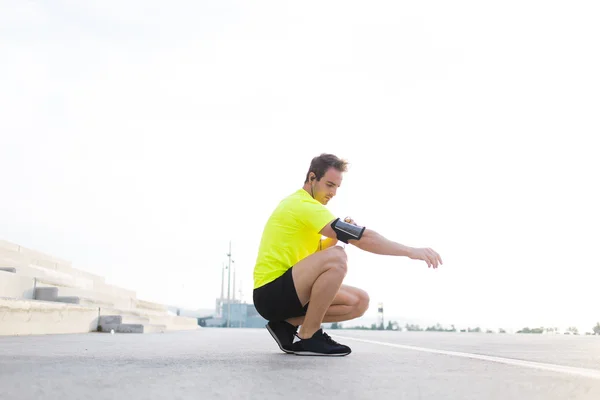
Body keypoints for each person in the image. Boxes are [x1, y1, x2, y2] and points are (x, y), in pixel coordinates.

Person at [252, 153, 443, 356]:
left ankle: (286, 325)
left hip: (291, 291)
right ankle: (309, 334)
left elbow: (313, 259)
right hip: (270, 293)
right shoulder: (302, 205)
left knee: (359, 301)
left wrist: (335, 238)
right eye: (329, 184)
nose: (333, 192)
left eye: (336, 187)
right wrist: (410, 251)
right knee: (338, 257)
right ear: (311, 178)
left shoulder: (309, 211)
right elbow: (362, 238)